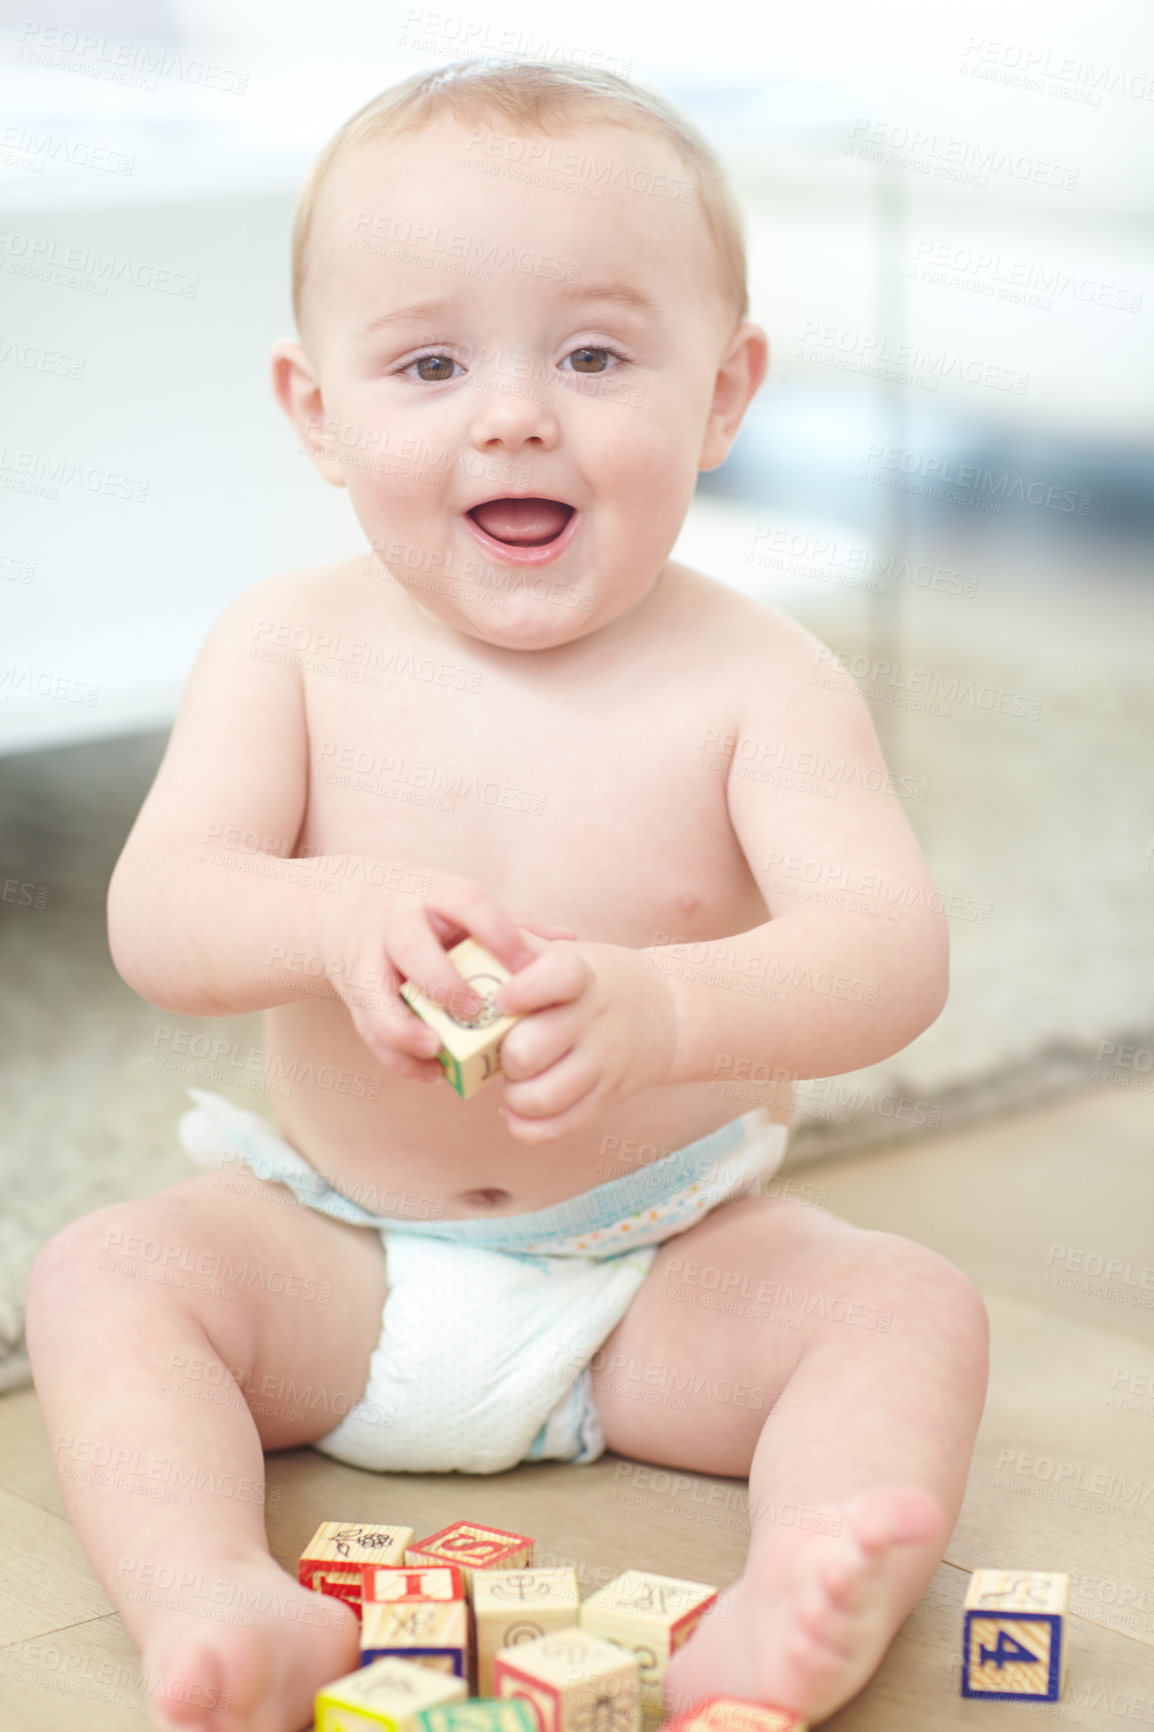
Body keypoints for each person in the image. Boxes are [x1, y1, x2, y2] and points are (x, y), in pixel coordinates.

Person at [25, 59, 988, 1732]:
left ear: (725, 393)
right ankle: (210, 1594)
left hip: (658, 1278)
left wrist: (669, 1007)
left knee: (904, 1311)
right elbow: (162, 917)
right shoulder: (287, 645)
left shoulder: (761, 681)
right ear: (316, 410)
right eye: (426, 363)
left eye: (597, 356)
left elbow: (885, 955)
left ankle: (790, 1605)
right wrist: (332, 914)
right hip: (330, 1257)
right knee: (107, 1278)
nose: (514, 415)